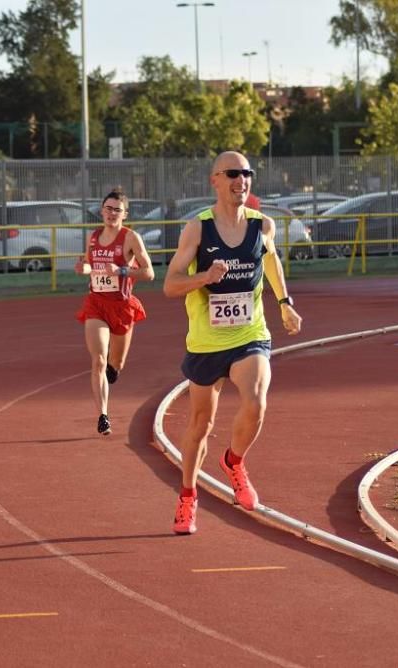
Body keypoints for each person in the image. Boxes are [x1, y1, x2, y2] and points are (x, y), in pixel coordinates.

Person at [163, 151, 302, 535]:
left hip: (249, 334)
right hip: (207, 341)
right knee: (199, 425)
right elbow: (170, 284)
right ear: (215, 181)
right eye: (233, 174)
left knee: (256, 401)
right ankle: (188, 495)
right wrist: (205, 277)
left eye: (247, 174)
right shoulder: (198, 230)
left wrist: (285, 303)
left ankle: (234, 462)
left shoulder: (263, 226)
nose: (242, 180)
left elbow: (271, 262)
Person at [75, 187, 155, 436]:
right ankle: (103, 416)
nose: (111, 213)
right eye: (108, 209)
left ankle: (114, 368)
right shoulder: (93, 236)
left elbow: (149, 273)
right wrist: (84, 268)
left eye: (116, 210)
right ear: (101, 211)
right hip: (96, 303)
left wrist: (120, 271)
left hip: (121, 306)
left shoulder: (131, 238)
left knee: (115, 362)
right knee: (97, 359)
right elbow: (89, 265)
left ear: (125, 214)